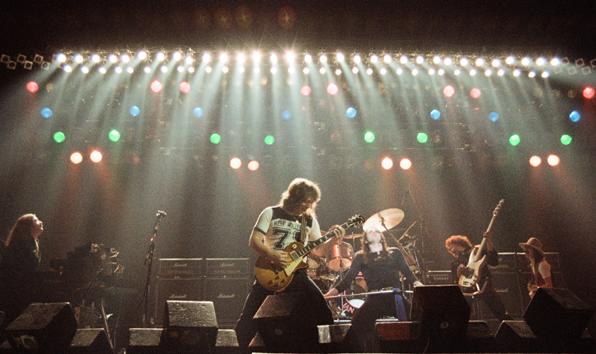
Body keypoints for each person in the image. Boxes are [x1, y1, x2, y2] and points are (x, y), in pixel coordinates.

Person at [235, 178, 344, 352]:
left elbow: (318, 252)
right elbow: (254, 240)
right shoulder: (271, 212)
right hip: (271, 271)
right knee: (248, 319)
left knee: (323, 311)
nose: (307, 206)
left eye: (311, 203)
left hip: (298, 274)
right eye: (304, 201)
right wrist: (273, 254)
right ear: (292, 198)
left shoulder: (309, 221)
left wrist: (332, 241)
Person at [325, 229, 421, 352]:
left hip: (395, 297)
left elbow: (410, 275)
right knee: (356, 326)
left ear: (381, 236)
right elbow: (346, 281)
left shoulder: (395, 252)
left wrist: (421, 286)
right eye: (370, 232)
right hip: (375, 298)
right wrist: (328, 294)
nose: (373, 233)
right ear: (365, 240)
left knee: (417, 322)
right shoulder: (360, 256)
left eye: (376, 231)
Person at [445, 233, 511, 321]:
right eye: (449, 249)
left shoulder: (477, 251)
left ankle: (510, 326)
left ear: (458, 243)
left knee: (499, 312)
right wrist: (459, 274)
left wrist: (489, 242)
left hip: (484, 285)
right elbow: (455, 282)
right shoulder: (455, 263)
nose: (451, 250)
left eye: (451, 246)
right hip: (467, 290)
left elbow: (494, 261)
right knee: (460, 311)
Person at [0, 213, 45, 326]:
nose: (40, 222)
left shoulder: (30, 244)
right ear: (28, 227)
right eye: (36, 220)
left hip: (20, 289)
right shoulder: (22, 245)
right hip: (16, 291)